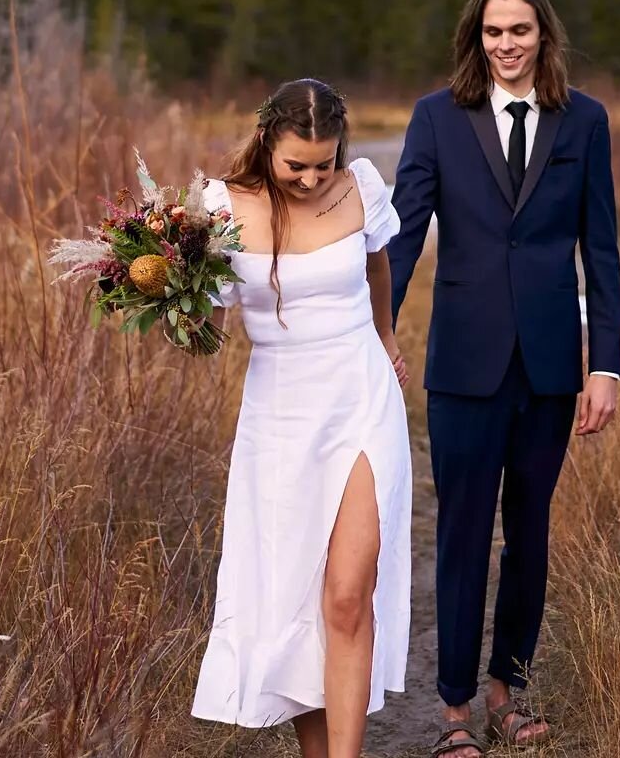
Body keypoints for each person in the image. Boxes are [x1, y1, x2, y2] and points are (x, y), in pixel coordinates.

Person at [388, 0, 620, 756]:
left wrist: (606, 367)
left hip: (552, 370)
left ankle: (505, 694)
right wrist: (371, 332)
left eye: (519, 31)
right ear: (475, 38)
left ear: (543, 35)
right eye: (493, 32)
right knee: (459, 531)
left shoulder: (584, 121)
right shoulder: (436, 118)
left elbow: (603, 252)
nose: (506, 45)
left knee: (529, 533)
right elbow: (404, 233)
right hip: (462, 363)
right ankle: (455, 712)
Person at [191, 79, 412, 758]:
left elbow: (377, 264)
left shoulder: (362, 186)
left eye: (323, 163)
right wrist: (176, 299)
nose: (314, 179)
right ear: (267, 144)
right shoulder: (221, 210)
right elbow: (204, 325)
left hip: (361, 399)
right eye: (297, 166)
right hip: (281, 417)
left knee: (349, 593)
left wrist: (386, 337)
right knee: (293, 596)